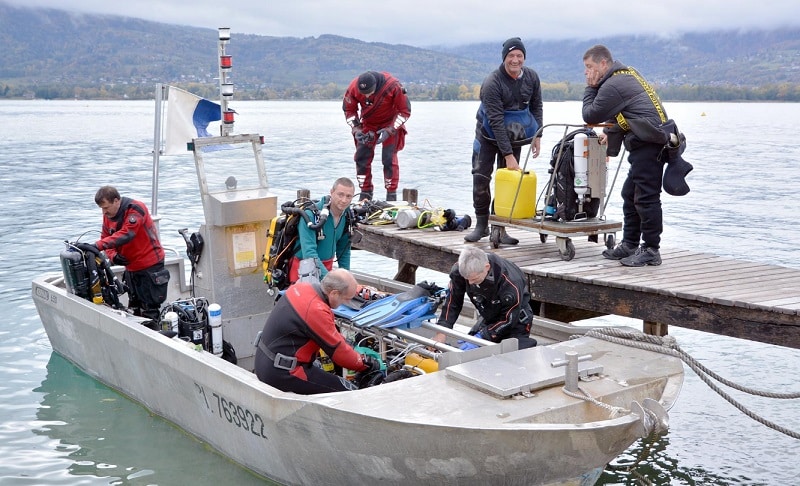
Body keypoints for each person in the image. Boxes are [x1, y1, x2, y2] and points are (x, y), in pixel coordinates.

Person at [582, 44, 669, 266]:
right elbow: (627, 111)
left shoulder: (613, 84)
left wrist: (590, 87)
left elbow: (590, 115)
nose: (587, 72)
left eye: (589, 67)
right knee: (630, 193)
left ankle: (651, 249)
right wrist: (609, 133)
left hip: (650, 144)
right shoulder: (625, 75)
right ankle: (630, 244)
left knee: (646, 197)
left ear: (603, 63)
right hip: (649, 140)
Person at [464, 37, 544, 244]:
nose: (515, 60)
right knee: (481, 178)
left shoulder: (532, 78)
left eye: (519, 56)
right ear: (504, 58)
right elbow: (496, 121)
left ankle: (499, 228)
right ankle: (481, 225)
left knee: (507, 183)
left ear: (524, 58)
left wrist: (538, 136)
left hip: (515, 134)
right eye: (511, 56)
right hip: (488, 134)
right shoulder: (493, 82)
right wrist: (508, 155)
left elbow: (537, 106)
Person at [254, 269, 381, 394]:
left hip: (265, 359)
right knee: (350, 393)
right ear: (334, 293)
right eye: (346, 299)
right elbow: (340, 354)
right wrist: (367, 364)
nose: (346, 303)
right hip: (282, 372)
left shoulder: (302, 288)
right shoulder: (316, 310)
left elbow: (333, 337)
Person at [432, 247, 537, 350]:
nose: (470, 283)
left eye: (474, 279)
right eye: (467, 279)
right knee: (470, 348)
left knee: (505, 355)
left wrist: (483, 335)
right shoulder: (460, 272)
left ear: (486, 267)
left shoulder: (510, 282)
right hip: (488, 313)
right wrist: (442, 331)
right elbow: (453, 301)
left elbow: (508, 319)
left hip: (514, 318)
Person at [93, 185, 169, 323]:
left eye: (106, 207)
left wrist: (97, 246)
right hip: (130, 268)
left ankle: (154, 335)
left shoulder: (135, 209)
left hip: (150, 266)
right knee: (134, 307)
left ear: (116, 201)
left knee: (149, 309)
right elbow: (106, 239)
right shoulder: (108, 217)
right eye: (102, 209)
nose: (104, 212)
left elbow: (128, 234)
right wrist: (113, 256)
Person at [342, 70, 411, 202]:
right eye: (364, 94)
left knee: (388, 158)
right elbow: (349, 110)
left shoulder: (393, 86)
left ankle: (391, 195)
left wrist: (390, 130)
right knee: (361, 157)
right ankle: (365, 193)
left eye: (369, 93)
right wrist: (356, 129)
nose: (367, 96)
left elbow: (405, 111)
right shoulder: (352, 88)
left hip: (390, 123)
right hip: (368, 124)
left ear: (376, 86)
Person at [287, 177, 355, 284]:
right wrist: (329, 281)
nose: (344, 200)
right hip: (303, 271)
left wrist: (347, 279)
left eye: (348, 196)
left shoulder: (347, 216)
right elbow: (309, 253)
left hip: (326, 269)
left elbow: (344, 251)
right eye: (340, 194)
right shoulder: (310, 216)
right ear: (331, 192)